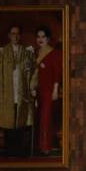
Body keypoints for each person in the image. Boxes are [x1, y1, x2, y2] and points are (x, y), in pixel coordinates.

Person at [0, 24, 34, 156]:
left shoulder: (27, 52)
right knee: (8, 123)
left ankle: (19, 152)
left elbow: (33, 71)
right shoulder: (2, 53)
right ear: (9, 36)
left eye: (17, 33)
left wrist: (32, 87)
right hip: (7, 92)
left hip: (22, 93)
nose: (15, 36)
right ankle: (9, 151)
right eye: (13, 33)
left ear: (20, 36)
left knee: (20, 122)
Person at [30, 25, 64, 155]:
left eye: (43, 37)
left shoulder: (54, 53)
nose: (40, 39)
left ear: (48, 39)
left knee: (46, 118)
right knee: (39, 118)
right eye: (38, 37)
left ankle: (46, 147)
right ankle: (39, 146)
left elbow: (57, 73)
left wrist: (55, 90)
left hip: (49, 91)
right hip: (38, 90)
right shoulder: (36, 53)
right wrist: (33, 87)